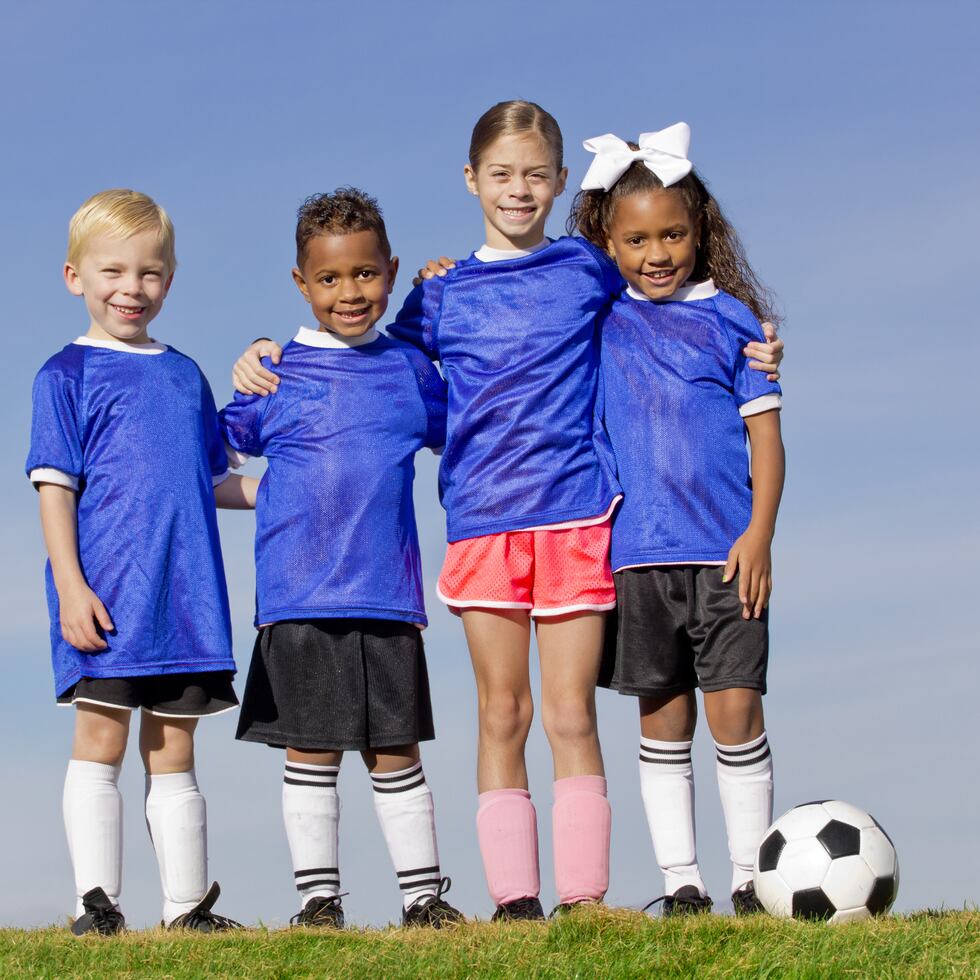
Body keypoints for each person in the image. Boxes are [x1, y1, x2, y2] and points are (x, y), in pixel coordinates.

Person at [230, 103, 784, 919]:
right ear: (471, 181)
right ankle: (515, 898)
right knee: (503, 710)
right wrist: (264, 355)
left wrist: (755, 341)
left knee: (569, 711)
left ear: (561, 183)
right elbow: (368, 362)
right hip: (484, 525)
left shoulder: (589, 271)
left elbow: (669, 298)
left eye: (534, 176)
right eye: (500, 175)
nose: (518, 191)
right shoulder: (440, 295)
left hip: (577, 518)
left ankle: (585, 897)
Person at [219, 188, 463, 929]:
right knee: (313, 750)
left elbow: (474, 432)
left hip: (388, 595)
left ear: (389, 271)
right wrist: (276, 493)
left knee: (395, 750)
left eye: (364, 275)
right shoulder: (275, 375)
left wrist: (444, 297)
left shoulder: (412, 373)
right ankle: (317, 904)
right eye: (329, 279)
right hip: (299, 597)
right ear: (302, 284)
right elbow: (204, 465)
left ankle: (424, 900)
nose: (349, 292)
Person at [570, 124, 785, 916]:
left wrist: (758, 533)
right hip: (635, 558)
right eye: (637, 239)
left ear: (701, 231)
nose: (656, 252)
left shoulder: (734, 320)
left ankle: (752, 880)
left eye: (673, 233)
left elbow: (767, 436)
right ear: (608, 240)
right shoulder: (597, 322)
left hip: (729, 554)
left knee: (736, 708)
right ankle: (681, 883)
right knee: (662, 718)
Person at [26, 189, 251, 935]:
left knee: (176, 743)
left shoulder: (186, 376)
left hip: (186, 597)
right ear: (74, 277)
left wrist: (298, 487)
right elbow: (55, 491)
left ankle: (187, 909)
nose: (132, 288)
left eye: (150, 273)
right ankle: (97, 905)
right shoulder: (64, 375)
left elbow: (215, 479)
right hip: (106, 596)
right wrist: (69, 585)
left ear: (170, 279)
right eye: (113, 271)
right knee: (101, 738)